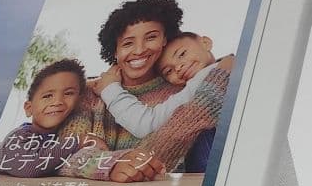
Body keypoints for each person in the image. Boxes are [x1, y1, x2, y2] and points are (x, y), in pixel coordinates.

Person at [54, 0, 230, 182]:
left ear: (165, 40)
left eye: (151, 37)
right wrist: (111, 165)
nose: (139, 50)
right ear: (115, 51)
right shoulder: (88, 94)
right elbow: (61, 155)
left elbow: (161, 157)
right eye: (127, 43)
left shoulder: (183, 88)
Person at [92, 32, 235, 139]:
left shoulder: (211, 74)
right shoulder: (211, 75)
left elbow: (146, 124)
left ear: (206, 42)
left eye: (182, 54)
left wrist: (110, 89)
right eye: (168, 71)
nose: (178, 67)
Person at [0, 58, 106, 177]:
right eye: (47, 96)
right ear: (29, 108)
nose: (57, 101)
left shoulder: (59, 136)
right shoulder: (19, 136)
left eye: (68, 93)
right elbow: (28, 167)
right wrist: (79, 142)